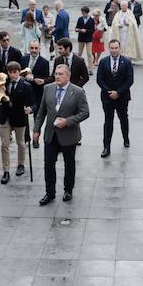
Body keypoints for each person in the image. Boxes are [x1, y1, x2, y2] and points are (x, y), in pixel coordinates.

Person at [33, 63, 89, 205]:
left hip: (68, 135)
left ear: (68, 76)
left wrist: (68, 121)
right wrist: (36, 129)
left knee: (69, 164)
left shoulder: (77, 91)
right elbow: (41, 112)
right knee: (48, 164)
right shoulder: (48, 88)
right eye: (56, 74)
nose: (57, 76)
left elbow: (85, 112)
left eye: (60, 74)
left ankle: (68, 190)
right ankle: (50, 193)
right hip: (51, 134)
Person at [96, 38, 134, 157]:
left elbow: (130, 80)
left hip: (122, 97)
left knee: (123, 118)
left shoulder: (126, 62)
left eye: (116, 48)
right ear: (109, 49)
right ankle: (106, 147)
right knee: (108, 121)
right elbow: (99, 79)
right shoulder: (103, 62)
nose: (114, 50)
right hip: (107, 98)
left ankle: (126, 138)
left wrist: (118, 92)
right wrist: (109, 92)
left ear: (119, 48)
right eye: (111, 48)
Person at [0, 31, 25, 147]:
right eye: (4, 40)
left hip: (10, 84)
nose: (6, 42)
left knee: (10, 108)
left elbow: (21, 68)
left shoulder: (15, 52)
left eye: (8, 40)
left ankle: (10, 131)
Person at [0, 61, 33, 184]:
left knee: (21, 142)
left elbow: (33, 103)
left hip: (19, 117)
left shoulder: (26, 86)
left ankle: (21, 164)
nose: (12, 75)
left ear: (19, 72)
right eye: (10, 72)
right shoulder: (3, 83)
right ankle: (6, 170)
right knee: (4, 144)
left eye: (15, 72)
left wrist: (30, 109)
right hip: (5, 117)